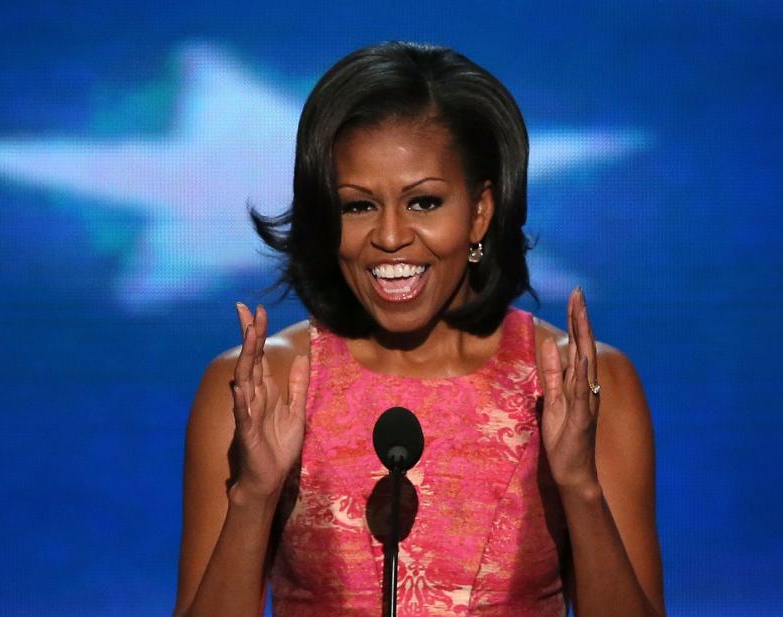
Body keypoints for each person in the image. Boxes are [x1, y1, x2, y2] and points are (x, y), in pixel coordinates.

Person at [173, 42, 664, 617]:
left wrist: (579, 487)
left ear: (480, 211)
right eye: (357, 206)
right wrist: (254, 498)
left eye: (424, 202)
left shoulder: (586, 385)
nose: (389, 237)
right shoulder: (257, 389)